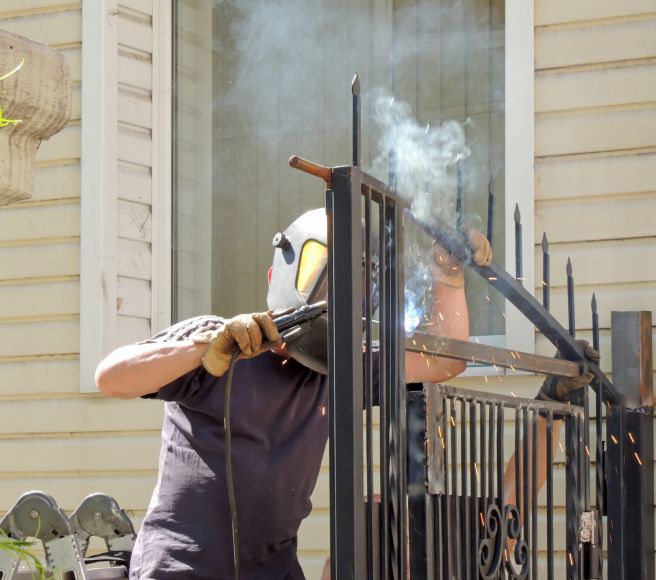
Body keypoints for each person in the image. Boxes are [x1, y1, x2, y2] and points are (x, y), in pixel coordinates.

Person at [95, 208, 493, 580]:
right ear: (277, 278)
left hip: (275, 570)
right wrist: (204, 348)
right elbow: (111, 377)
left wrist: (450, 273)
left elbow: (444, 361)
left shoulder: (339, 370)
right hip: (180, 568)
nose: (331, 299)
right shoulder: (219, 339)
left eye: (348, 290)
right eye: (323, 281)